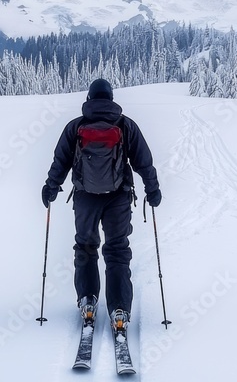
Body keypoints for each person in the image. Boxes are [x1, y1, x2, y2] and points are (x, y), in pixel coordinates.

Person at [41, 78, 161, 330]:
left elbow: (60, 160)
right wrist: (153, 189)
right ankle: (119, 308)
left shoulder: (76, 126)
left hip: (85, 197)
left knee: (85, 247)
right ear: (111, 98)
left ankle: (87, 299)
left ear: (89, 99)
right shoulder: (126, 125)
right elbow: (143, 161)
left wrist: (51, 186)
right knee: (117, 250)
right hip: (119, 196)